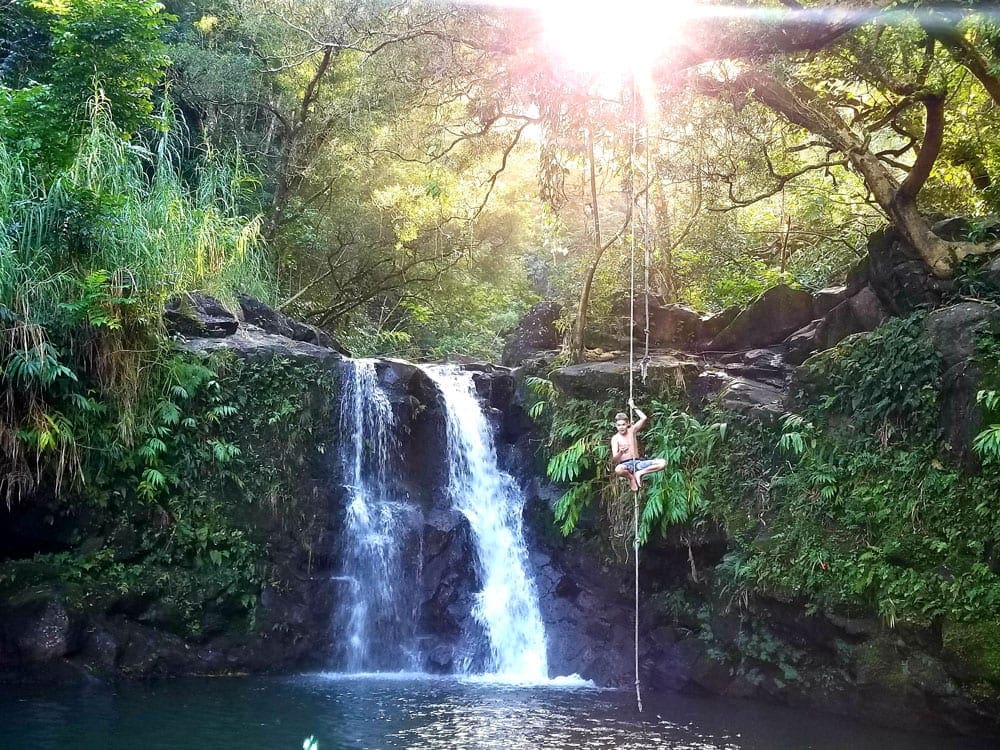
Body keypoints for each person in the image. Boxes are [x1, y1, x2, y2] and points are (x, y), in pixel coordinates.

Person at [610, 398, 667, 492]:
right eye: (619, 425)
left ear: (627, 423)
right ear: (616, 426)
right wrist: (621, 452)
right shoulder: (615, 438)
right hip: (625, 465)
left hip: (637, 463)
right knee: (618, 470)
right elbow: (615, 459)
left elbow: (644, 418)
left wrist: (633, 407)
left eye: (623, 424)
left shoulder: (632, 430)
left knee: (662, 463)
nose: (621, 427)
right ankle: (631, 478)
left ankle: (640, 473)